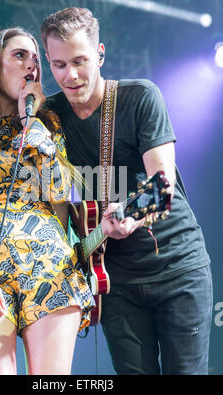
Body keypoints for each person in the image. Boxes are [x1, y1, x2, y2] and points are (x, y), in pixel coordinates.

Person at [40, 7, 213, 375]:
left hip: (177, 269)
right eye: (58, 65)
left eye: (79, 61)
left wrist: (130, 217)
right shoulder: (47, 118)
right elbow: (53, 211)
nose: (69, 75)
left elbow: (162, 186)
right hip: (114, 281)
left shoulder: (139, 98)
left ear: (100, 54)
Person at [0, 27, 95, 375]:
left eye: (37, 60)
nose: (32, 66)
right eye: (20, 55)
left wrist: (32, 125)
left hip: (50, 267)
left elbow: (58, 194)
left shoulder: (49, 126)